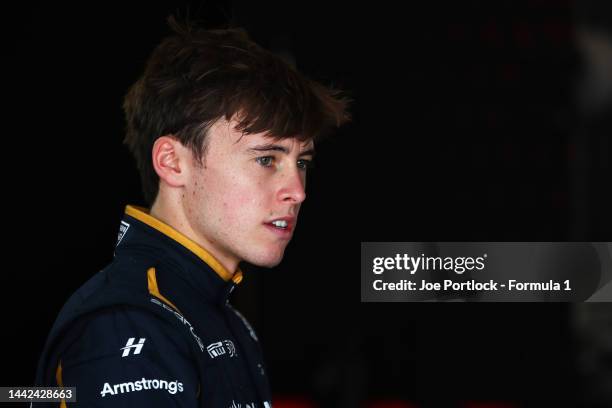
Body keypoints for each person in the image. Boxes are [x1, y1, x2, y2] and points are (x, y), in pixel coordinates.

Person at [34, 16, 349, 407]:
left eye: (301, 162)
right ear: (173, 162)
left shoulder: (222, 320)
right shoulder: (131, 323)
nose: (298, 192)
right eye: (267, 159)